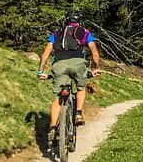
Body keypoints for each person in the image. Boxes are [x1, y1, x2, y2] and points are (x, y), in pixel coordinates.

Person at [37, 11, 101, 148]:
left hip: (59, 65)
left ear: (66, 21)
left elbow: (45, 54)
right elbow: (94, 53)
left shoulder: (56, 33)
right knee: (81, 87)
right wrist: (96, 67)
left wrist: (40, 71)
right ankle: (78, 113)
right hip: (78, 63)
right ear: (79, 22)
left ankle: (53, 128)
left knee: (58, 97)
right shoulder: (84, 32)